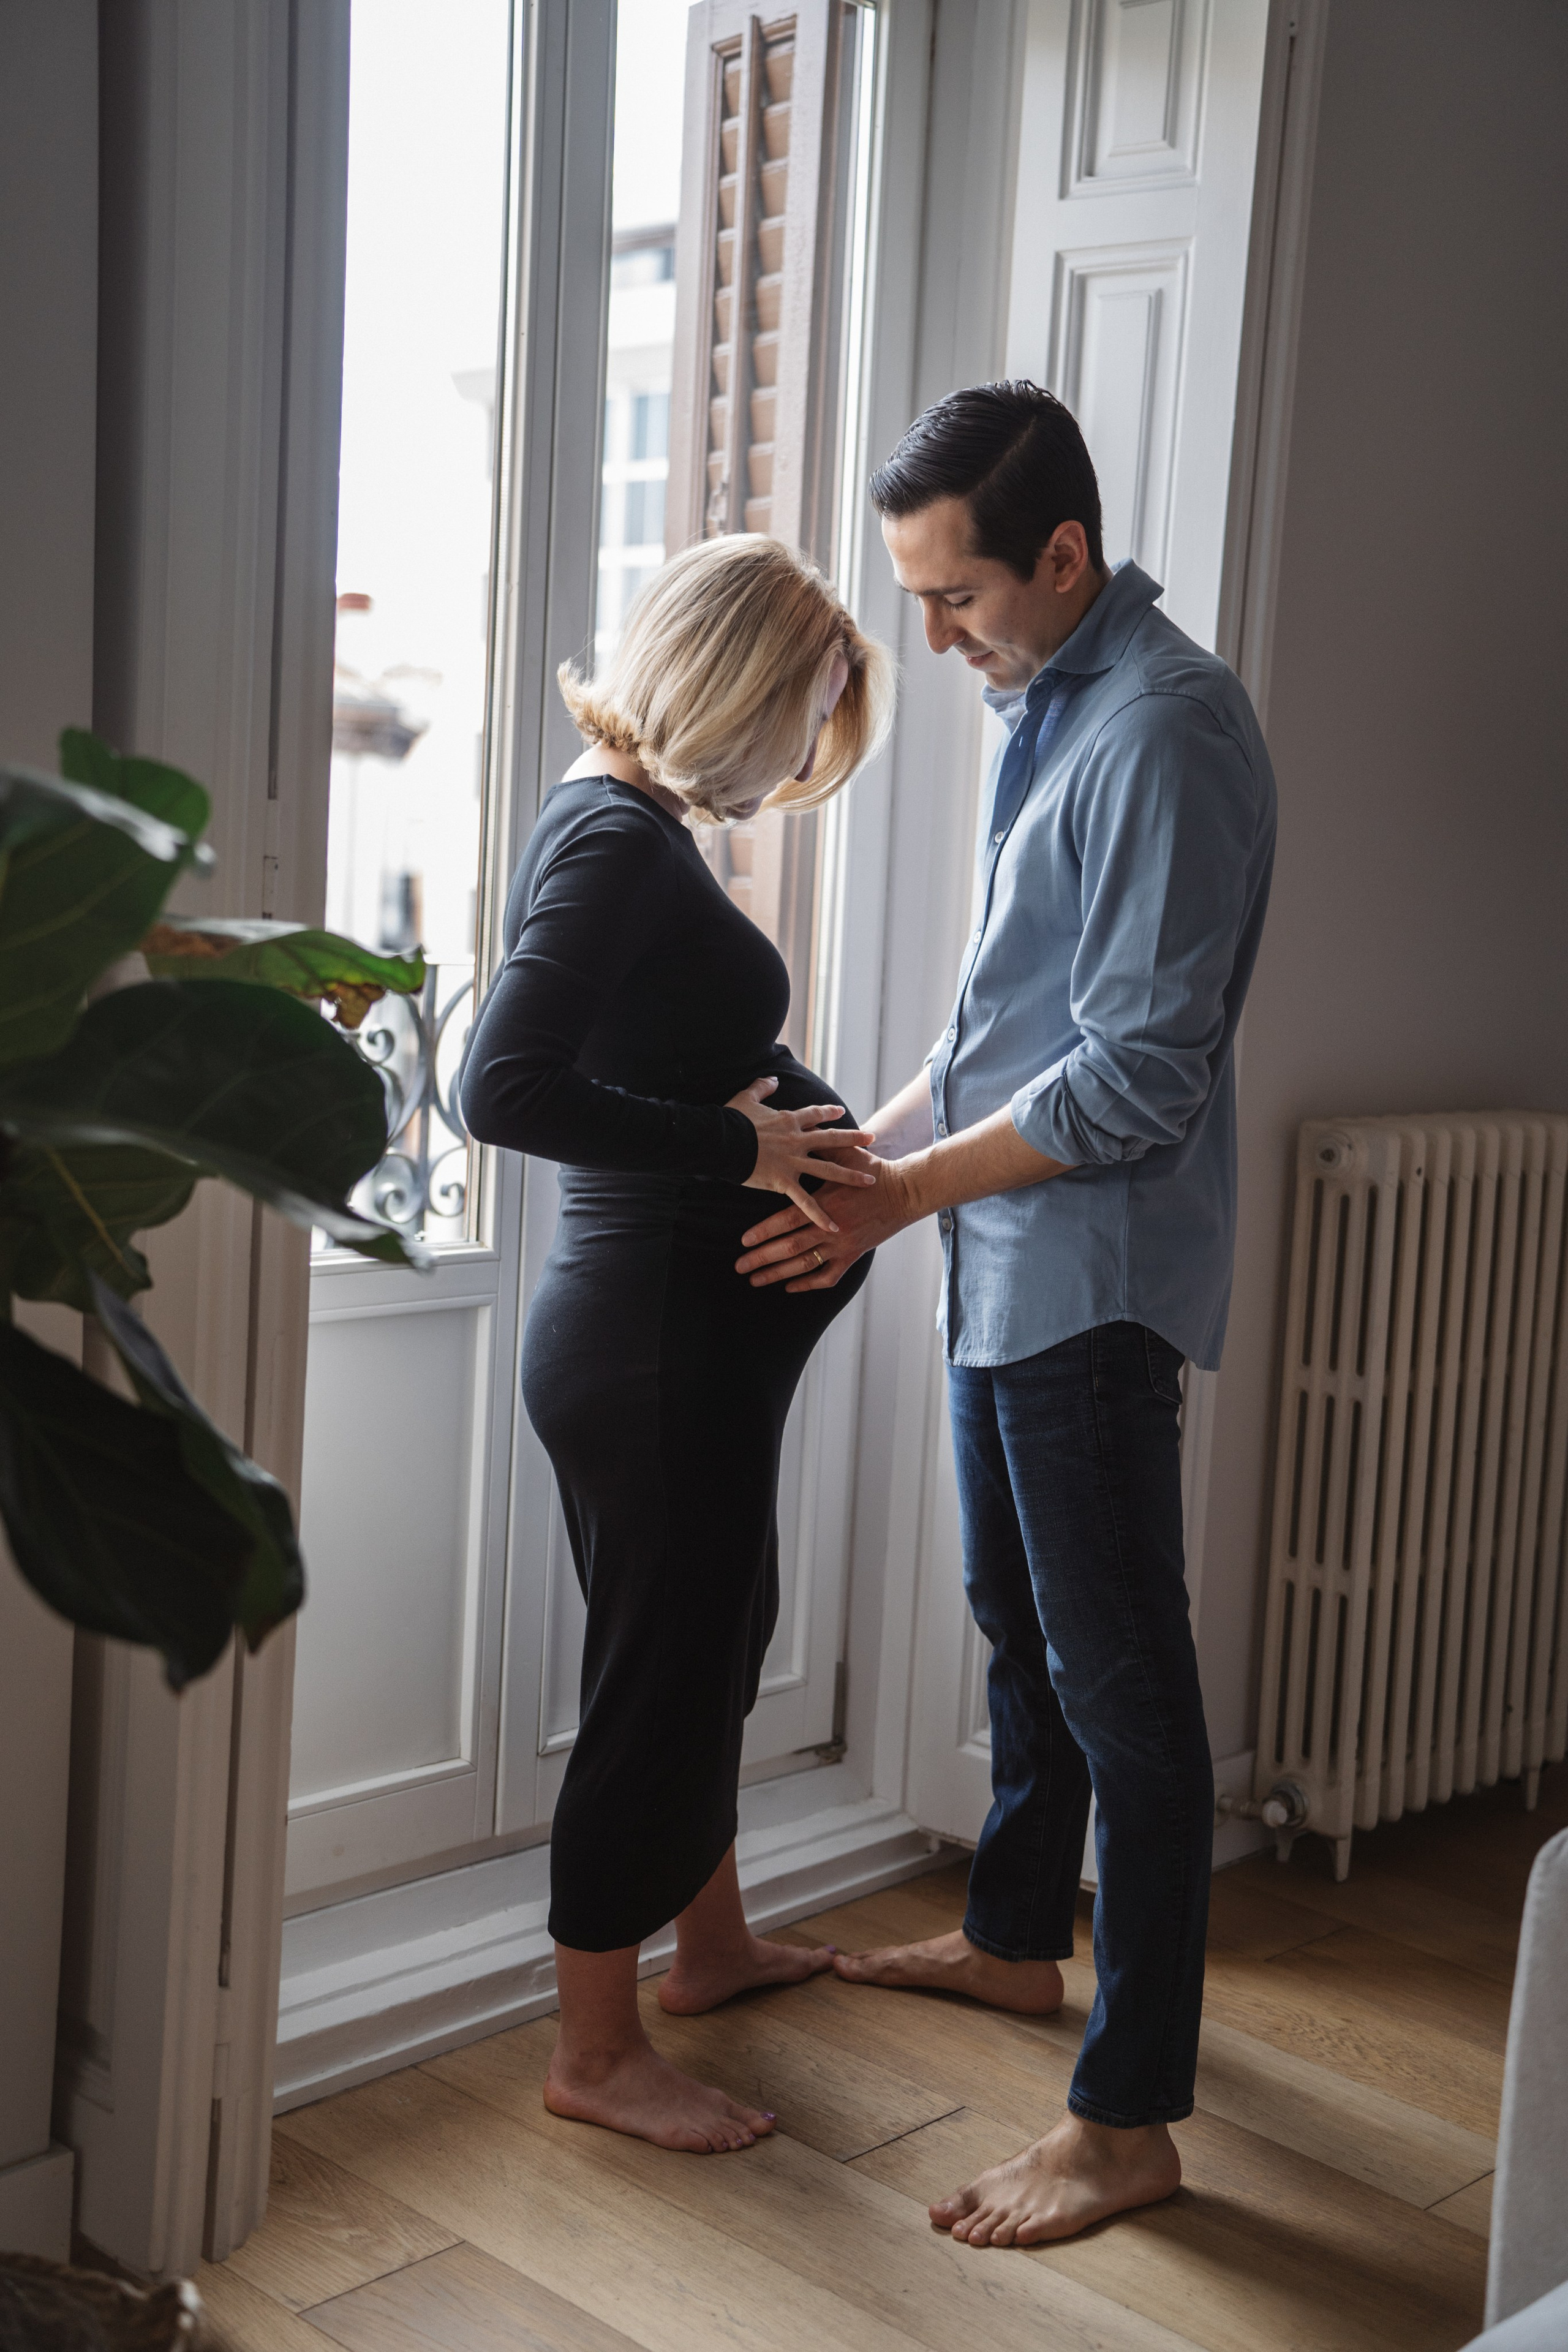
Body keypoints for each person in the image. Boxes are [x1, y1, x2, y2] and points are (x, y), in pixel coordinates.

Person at [736, 381, 1276, 2242]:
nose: (936, 637)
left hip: (1092, 1291)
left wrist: (903, 1197)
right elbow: (1003, 1031)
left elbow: (1135, 1084)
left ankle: (1129, 2121)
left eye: (955, 597)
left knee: (1129, 1693)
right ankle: (1010, 1943)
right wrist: (861, 1156)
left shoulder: (1167, 731)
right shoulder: (1042, 701)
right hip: (1000, 1264)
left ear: (1062, 555)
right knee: (1019, 1631)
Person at [460, 534, 893, 2155]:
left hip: (679, 1342)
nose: (796, 767)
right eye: (806, 721)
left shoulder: (638, 830)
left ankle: (708, 1952)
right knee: (660, 1676)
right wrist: (756, 1154)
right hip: (650, 1345)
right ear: (742, 682)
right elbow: (499, 1087)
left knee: (718, 1627)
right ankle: (597, 2046)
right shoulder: (617, 840)